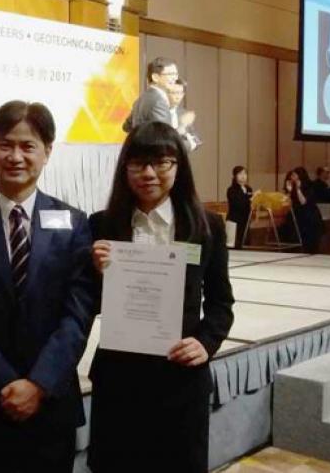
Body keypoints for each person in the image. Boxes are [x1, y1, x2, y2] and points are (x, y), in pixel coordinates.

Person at [0, 100, 94, 472]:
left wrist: (38, 384)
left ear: (47, 152)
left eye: (28, 146)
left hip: (50, 400)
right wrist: (5, 382)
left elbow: (79, 312)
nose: (16, 156)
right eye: (5, 144)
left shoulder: (74, 222)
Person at [88, 122, 234, 473]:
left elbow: (221, 303)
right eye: (137, 163)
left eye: (161, 163)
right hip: (119, 380)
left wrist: (205, 343)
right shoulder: (101, 226)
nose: (149, 173)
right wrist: (95, 273)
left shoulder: (206, 227)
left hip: (180, 380)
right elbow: (87, 305)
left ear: (178, 166)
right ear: (125, 168)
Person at [122, 57, 178, 133]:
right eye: (170, 74)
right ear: (155, 77)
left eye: (176, 74)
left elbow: (126, 127)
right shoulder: (158, 101)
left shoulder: (140, 100)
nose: (175, 78)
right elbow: (165, 137)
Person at [283, 169, 323, 254]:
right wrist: (289, 191)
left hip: (309, 215)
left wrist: (298, 189)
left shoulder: (310, 186)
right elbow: (286, 202)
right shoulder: (291, 186)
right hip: (296, 215)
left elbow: (303, 202)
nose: (292, 177)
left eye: (294, 175)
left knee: (309, 241)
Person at [168, 78, 202, 153]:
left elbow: (197, 140)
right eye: (174, 93)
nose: (178, 97)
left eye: (180, 93)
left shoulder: (183, 113)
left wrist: (190, 141)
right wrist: (181, 128)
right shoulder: (160, 111)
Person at [226, 166, 255, 249]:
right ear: (235, 176)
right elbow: (238, 204)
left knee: (245, 245)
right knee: (234, 246)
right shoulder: (231, 190)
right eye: (240, 174)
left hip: (245, 220)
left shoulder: (248, 188)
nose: (243, 176)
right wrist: (250, 198)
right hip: (234, 221)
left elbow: (250, 204)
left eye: (245, 173)